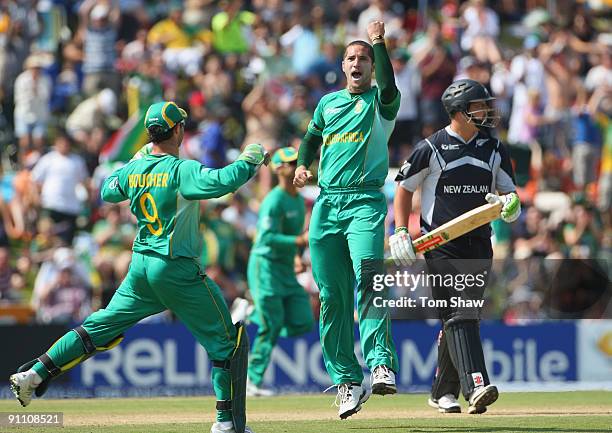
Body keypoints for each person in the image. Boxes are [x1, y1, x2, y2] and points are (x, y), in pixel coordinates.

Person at [9, 101, 269, 433]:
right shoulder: (181, 170)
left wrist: (131, 164)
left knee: (100, 326)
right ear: (177, 130)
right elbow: (223, 182)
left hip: (141, 269)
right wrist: (251, 157)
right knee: (226, 341)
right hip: (175, 268)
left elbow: (106, 190)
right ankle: (225, 423)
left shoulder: (135, 168)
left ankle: (35, 375)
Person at [391, 78, 521, 414]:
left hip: (479, 243)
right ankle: (475, 384)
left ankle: (441, 392)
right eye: (479, 105)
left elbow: (509, 193)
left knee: (463, 317)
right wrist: (401, 230)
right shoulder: (431, 147)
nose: (487, 111)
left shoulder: (494, 149)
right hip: (442, 245)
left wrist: (509, 205)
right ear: (460, 112)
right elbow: (404, 189)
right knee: (460, 312)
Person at [293, 21, 400, 419]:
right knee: (331, 297)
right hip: (326, 204)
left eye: (364, 59)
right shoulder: (327, 104)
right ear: (342, 65)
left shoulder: (381, 103)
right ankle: (348, 381)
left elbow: (389, 87)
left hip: (365, 202)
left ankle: (380, 363)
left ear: (372, 67)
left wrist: (378, 42)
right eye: (351, 58)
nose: (357, 63)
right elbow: (310, 138)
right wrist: (303, 165)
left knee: (369, 279)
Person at [246, 147, 314, 397]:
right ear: (278, 168)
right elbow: (266, 237)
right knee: (271, 325)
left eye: (298, 161)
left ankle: (253, 313)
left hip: (285, 269)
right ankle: (252, 381)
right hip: (265, 265)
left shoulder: (296, 199)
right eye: (291, 162)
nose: (297, 165)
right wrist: (298, 243)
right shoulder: (274, 200)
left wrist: (296, 257)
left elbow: (292, 237)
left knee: (303, 320)